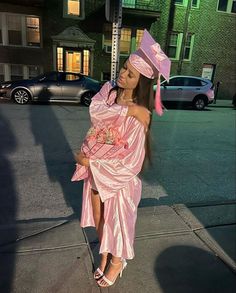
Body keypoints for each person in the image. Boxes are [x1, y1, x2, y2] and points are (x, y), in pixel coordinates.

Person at [72, 29, 171, 288]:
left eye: (130, 74)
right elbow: (96, 112)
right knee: (98, 218)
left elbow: (132, 162)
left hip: (117, 179)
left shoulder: (141, 117)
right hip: (96, 173)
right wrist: (127, 108)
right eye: (124, 68)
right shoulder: (111, 92)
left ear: (141, 82)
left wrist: (91, 162)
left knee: (116, 223)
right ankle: (104, 254)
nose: (122, 75)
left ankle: (117, 261)